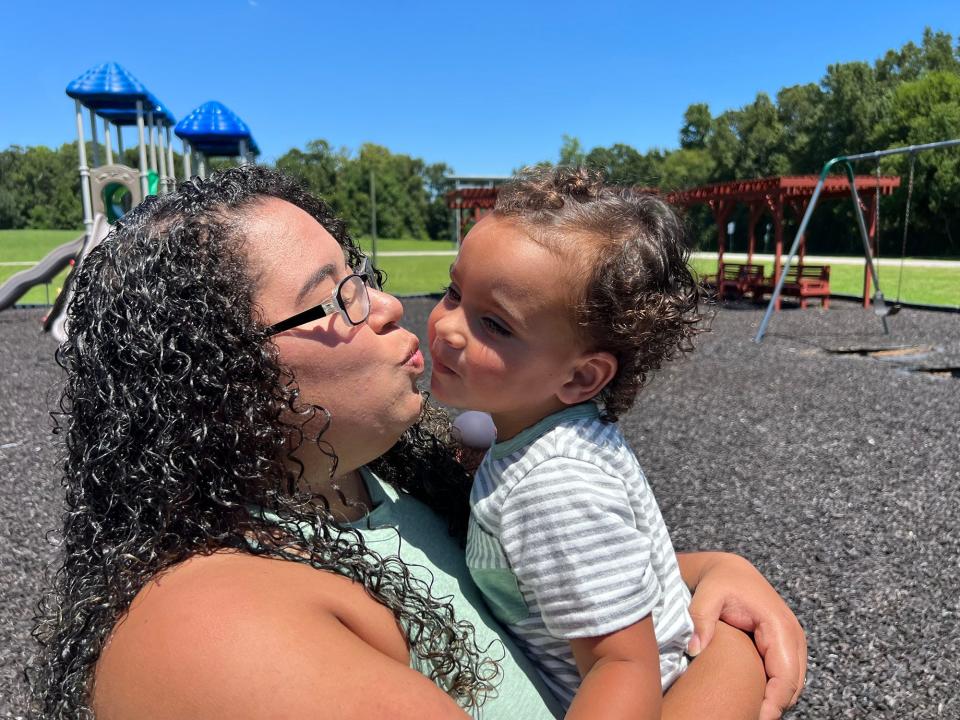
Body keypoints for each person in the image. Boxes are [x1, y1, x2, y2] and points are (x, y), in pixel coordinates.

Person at [28, 165, 805, 720]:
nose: (397, 306)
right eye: (336, 299)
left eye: (360, 274)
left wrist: (713, 569)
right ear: (218, 378)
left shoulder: (388, 486)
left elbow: (554, 573)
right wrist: (732, 650)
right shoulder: (209, 629)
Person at [428, 166, 746, 719]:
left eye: (494, 325)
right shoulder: (543, 435)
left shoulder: (553, 488)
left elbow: (621, 667)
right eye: (454, 291)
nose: (449, 326)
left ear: (579, 378)